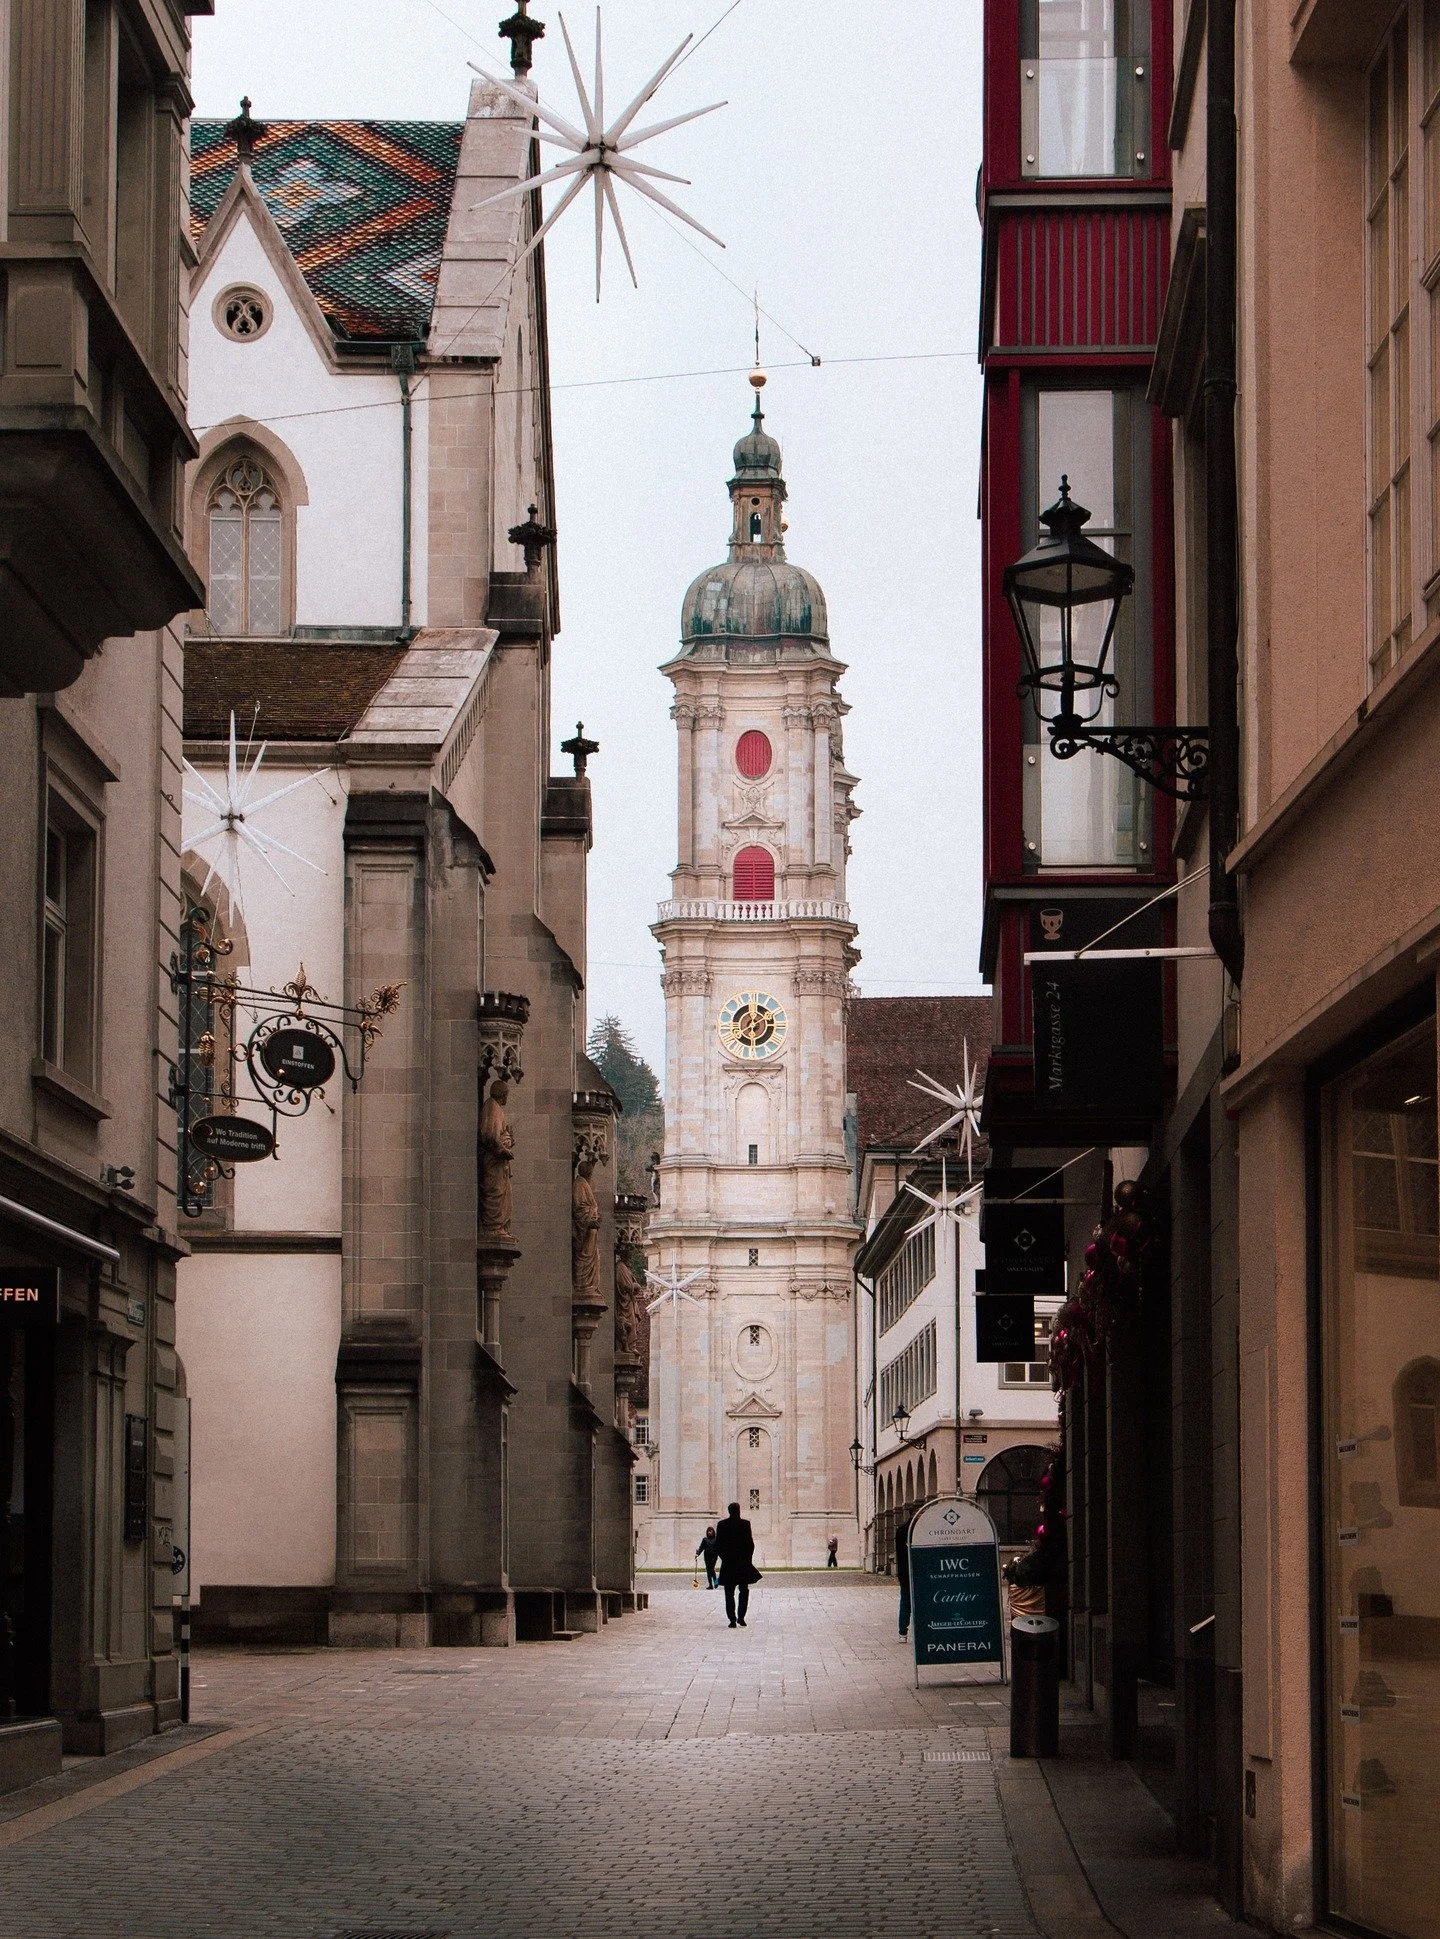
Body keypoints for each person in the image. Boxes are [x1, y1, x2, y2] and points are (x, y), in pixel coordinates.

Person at [713, 1501, 758, 1627]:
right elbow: (750, 1545)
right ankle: (741, 1617)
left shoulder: (722, 1525)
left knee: (729, 1592)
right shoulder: (745, 1524)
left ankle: (732, 1619)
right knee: (744, 1590)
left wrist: (725, 1558)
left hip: (728, 1563)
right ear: (738, 1511)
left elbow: (718, 1545)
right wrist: (747, 1560)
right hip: (742, 1563)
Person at [895, 1511, 914, 1640]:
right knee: (907, 1602)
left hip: (905, 1573)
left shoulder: (901, 1530)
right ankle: (903, 1631)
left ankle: (903, 1632)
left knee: (906, 1602)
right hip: (911, 1572)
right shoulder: (918, 1529)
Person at [695, 1525, 720, 1589]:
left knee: (712, 1569)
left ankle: (716, 1582)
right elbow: (701, 1548)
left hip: (714, 1556)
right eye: (708, 1531)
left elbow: (719, 1548)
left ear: (713, 1532)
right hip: (707, 1556)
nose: (709, 1532)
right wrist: (697, 1554)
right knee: (708, 1570)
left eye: (711, 1531)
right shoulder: (705, 1540)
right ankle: (710, 1585)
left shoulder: (716, 1539)